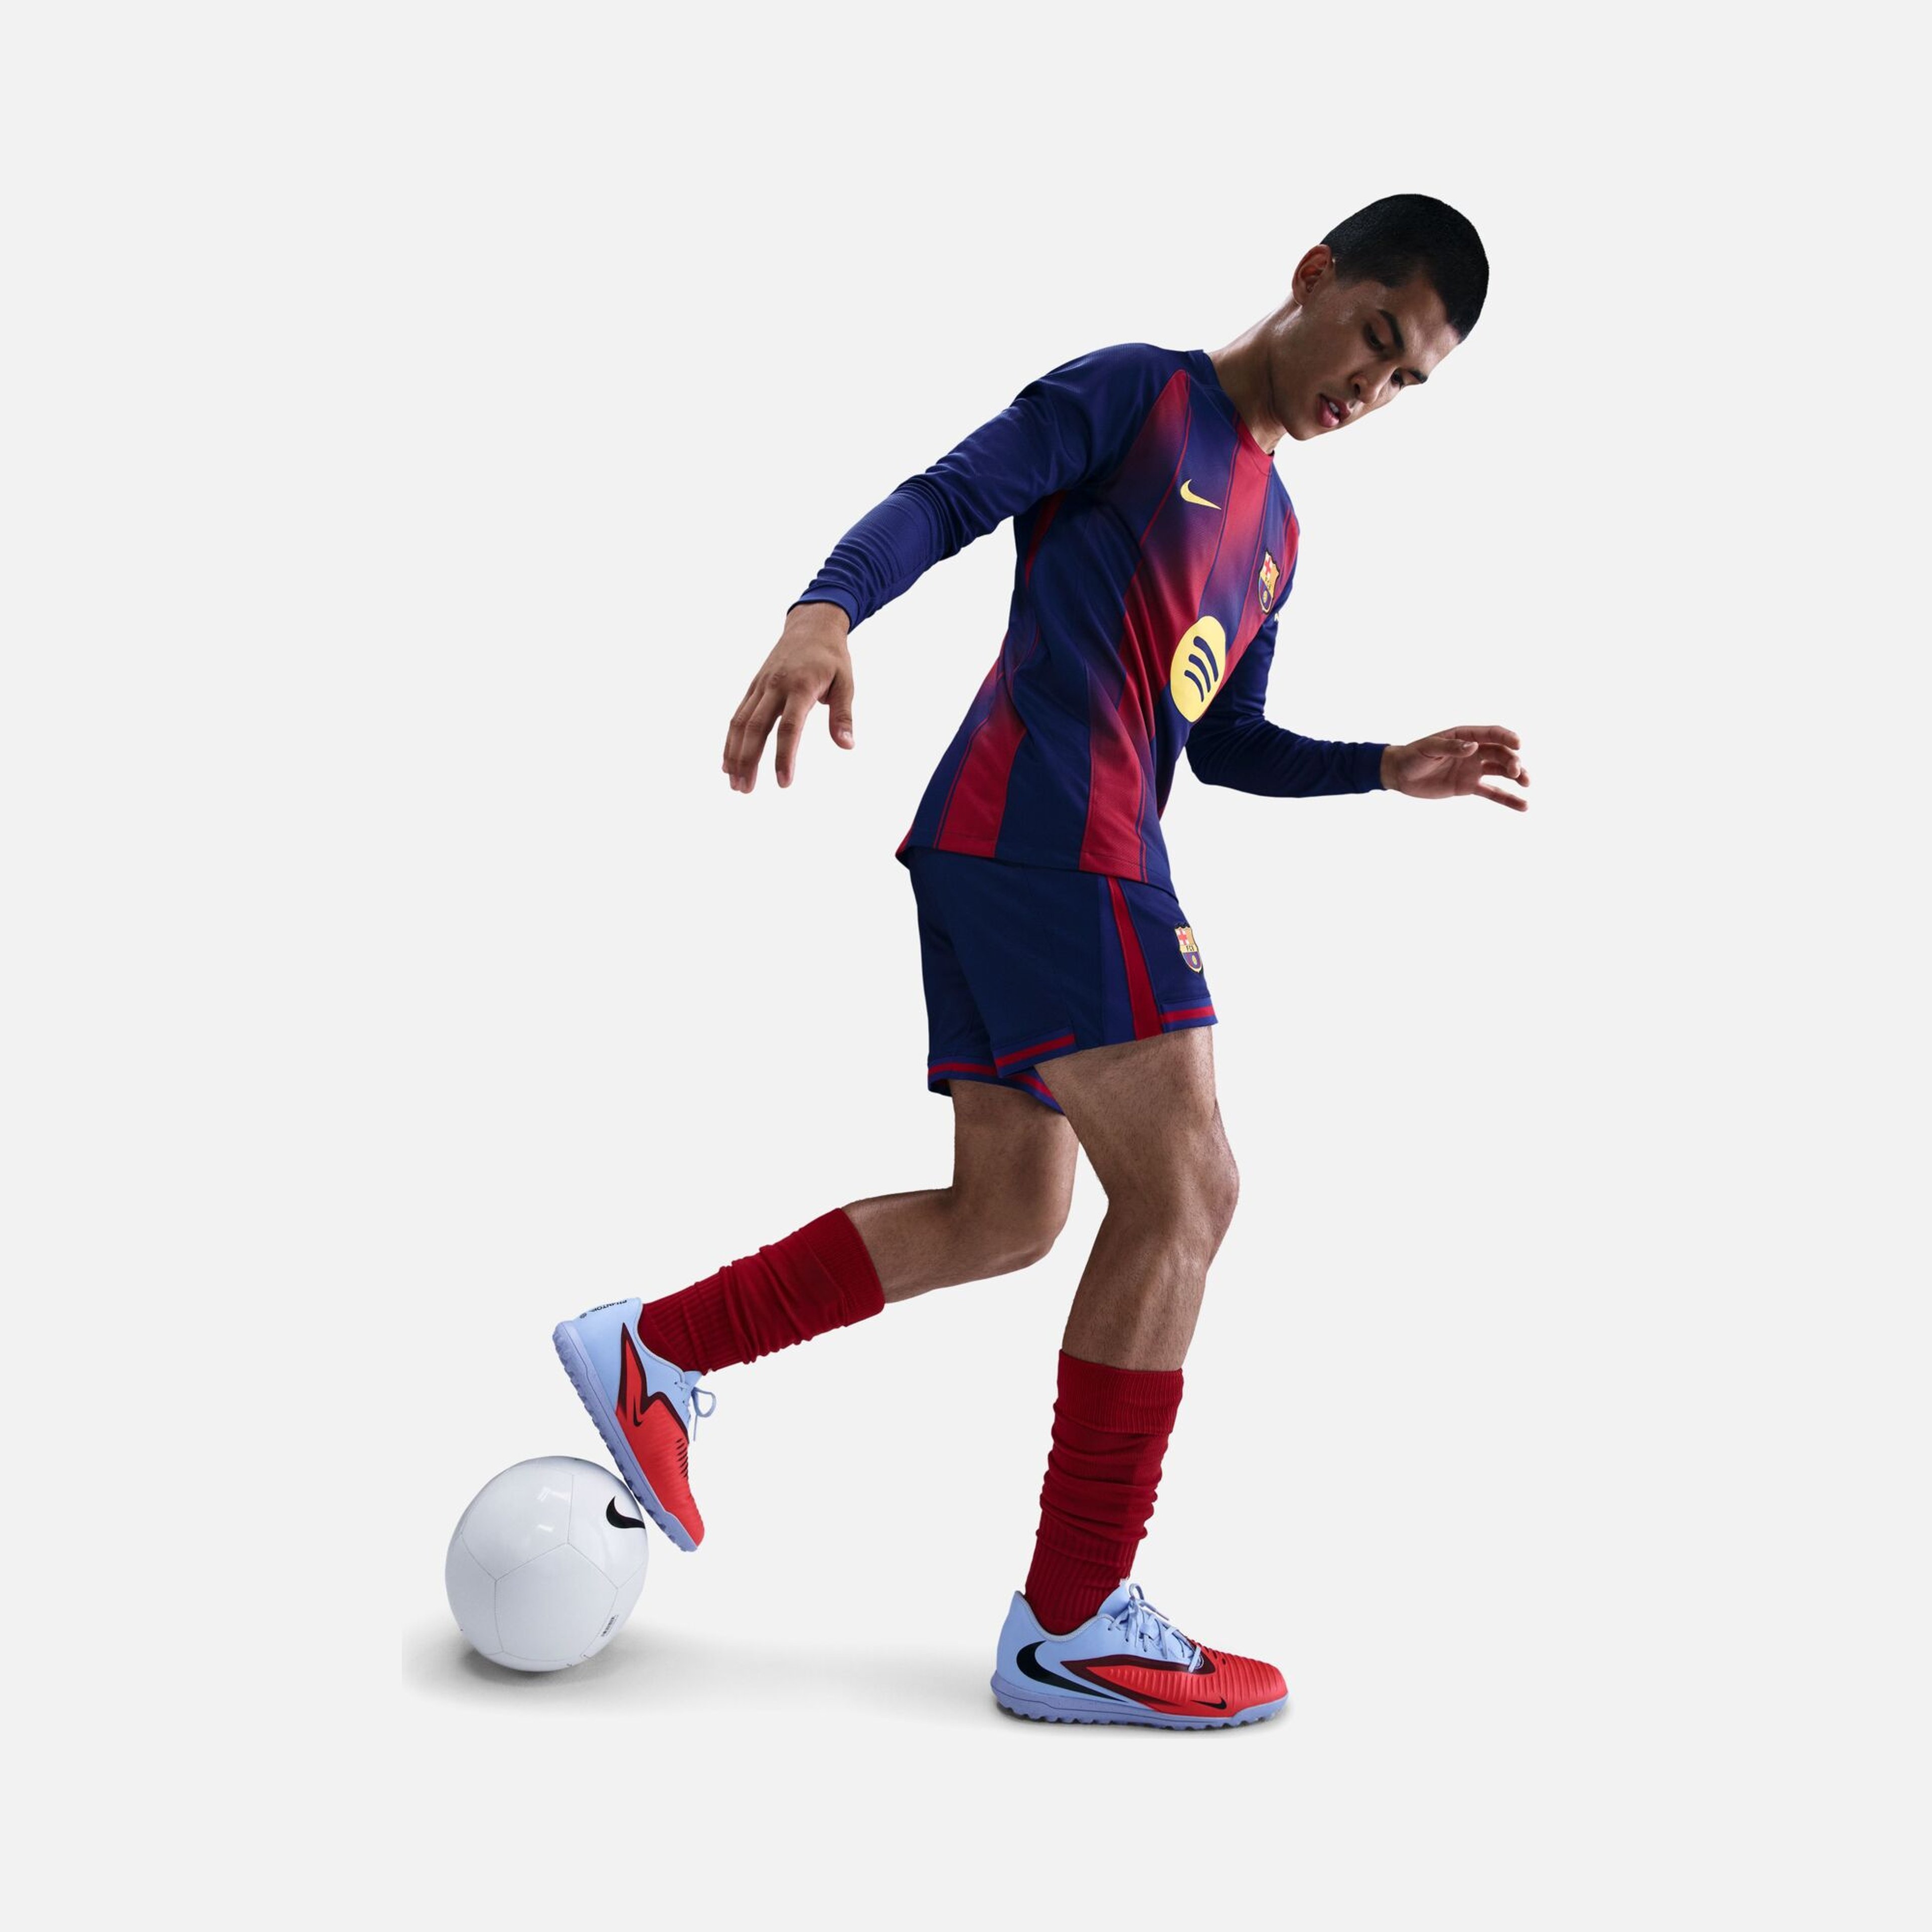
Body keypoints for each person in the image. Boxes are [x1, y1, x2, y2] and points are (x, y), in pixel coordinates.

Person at [554, 192, 1525, 1729]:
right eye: (1376, 335)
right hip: (1052, 836)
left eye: (1409, 380)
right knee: (1190, 1189)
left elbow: (1228, 741)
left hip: (1035, 847)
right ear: (1316, 276)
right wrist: (824, 612)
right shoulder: (1140, 396)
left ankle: (653, 1353)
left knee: (1008, 1212)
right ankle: (1077, 1621)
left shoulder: (1275, 534)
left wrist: (1381, 766)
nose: (1372, 385)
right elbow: (950, 494)